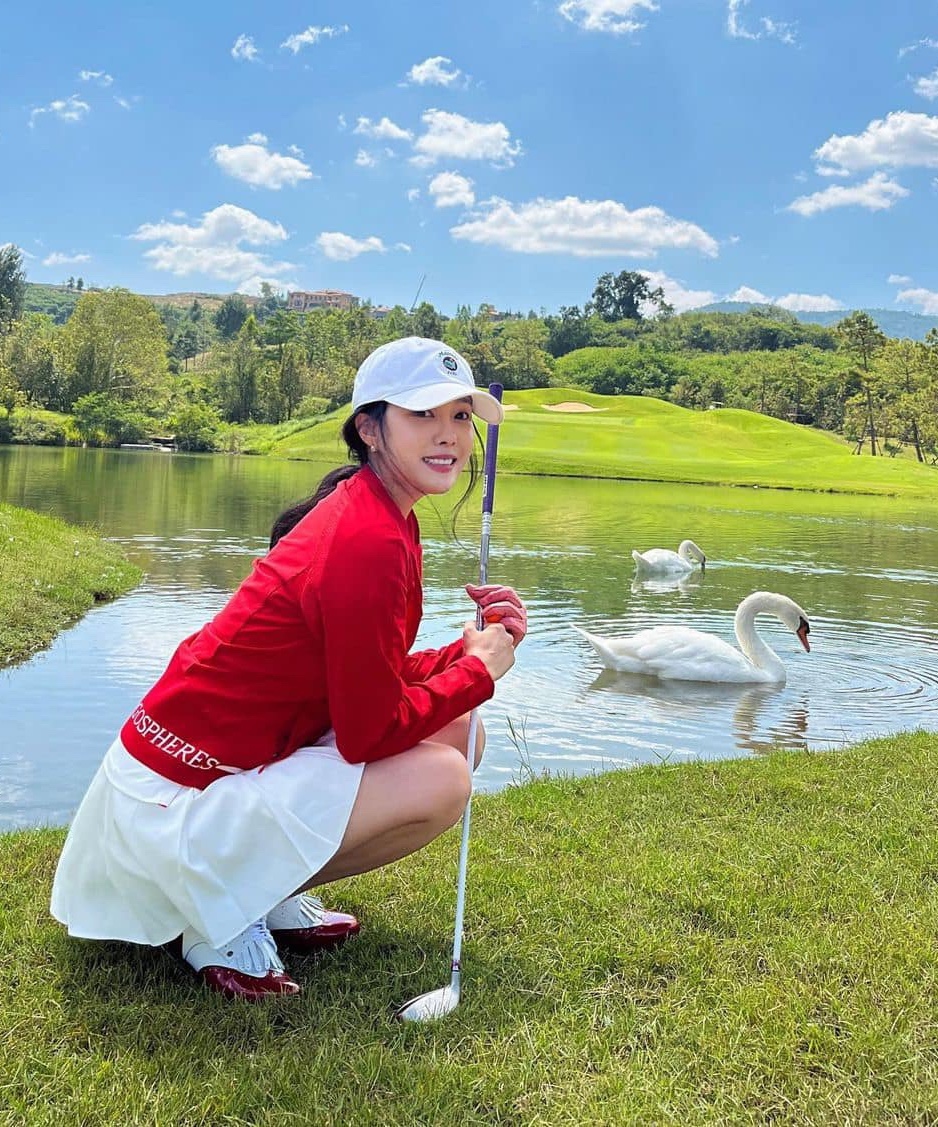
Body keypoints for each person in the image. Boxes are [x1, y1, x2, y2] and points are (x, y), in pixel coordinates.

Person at [50, 336, 527, 1001]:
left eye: (458, 416)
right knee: (445, 774)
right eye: (423, 415)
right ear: (370, 427)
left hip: (215, 777)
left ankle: (259, 884)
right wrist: (478, 674)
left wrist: (464, 653)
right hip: (168, 811)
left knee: (460, 732)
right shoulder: (367, 536)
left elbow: (367, 676)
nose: (447, 435)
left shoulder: (382, 512)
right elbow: (368, 731)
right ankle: (219, 916)